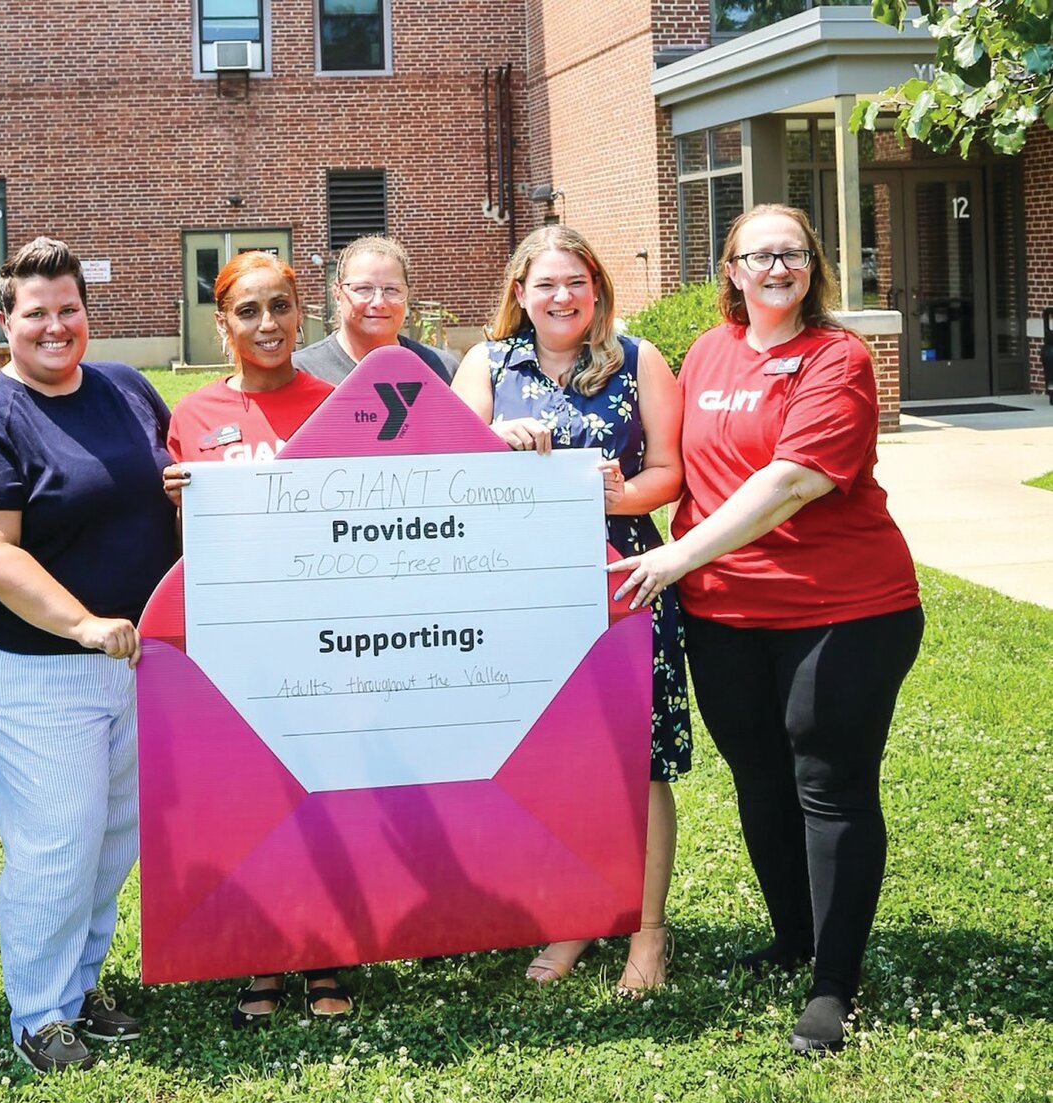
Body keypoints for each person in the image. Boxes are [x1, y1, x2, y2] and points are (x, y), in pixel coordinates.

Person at [609, 204, 923, 1053]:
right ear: (732, 271)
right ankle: (794, 936)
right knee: (759, 777)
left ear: (813, 266)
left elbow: (790, 483)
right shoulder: (708, 352)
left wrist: (673, 560)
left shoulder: (837, 358)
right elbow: (669, 466)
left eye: (791, 254)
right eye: (758, 256)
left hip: (844, 609)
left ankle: (833, 986)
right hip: (725, 613)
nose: (775, 268)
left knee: (828, 782)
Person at [0, 238, 176, 1073]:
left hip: (137, 654)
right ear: (5, 322)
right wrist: (79, 623)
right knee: (58, 838)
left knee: (114, 832)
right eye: (35, 313)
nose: (55, 326)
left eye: (68, 308)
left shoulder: (126, 388)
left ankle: (80, 984)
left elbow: (172, 488)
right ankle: (38, 1014)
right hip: (28, 660)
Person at [450, 224, 688, 996]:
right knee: (549, 760)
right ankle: (576, 914)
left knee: (638, 764)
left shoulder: (640, 359)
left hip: (621, 582)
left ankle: (647, 934)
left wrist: (623, 493)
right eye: (546, 284)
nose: (562, 297)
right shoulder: (486, 364)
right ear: (519, 293)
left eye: (576, 284)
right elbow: (442, 464)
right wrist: (491, 439)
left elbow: (669, 474)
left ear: (597, 291)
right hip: (517, 586)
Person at [161, 250, 354, 1026]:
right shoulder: (194, 416)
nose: (267, 324)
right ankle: (262, 957)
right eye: (249, 311)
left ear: (300, 314)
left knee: (325, 792)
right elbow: (185, 543)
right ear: (222, 324)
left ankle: (329, 955)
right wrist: (175, 499)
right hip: (235, 638)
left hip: (326, 635)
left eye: (280, 307)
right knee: (252, 799)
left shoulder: (337, 403)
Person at [292, 234, 459, 384]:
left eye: (392, 289)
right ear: (337, 293)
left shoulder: (441, 369)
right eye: (363, 288)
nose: (379, 302)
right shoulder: (301, 372)